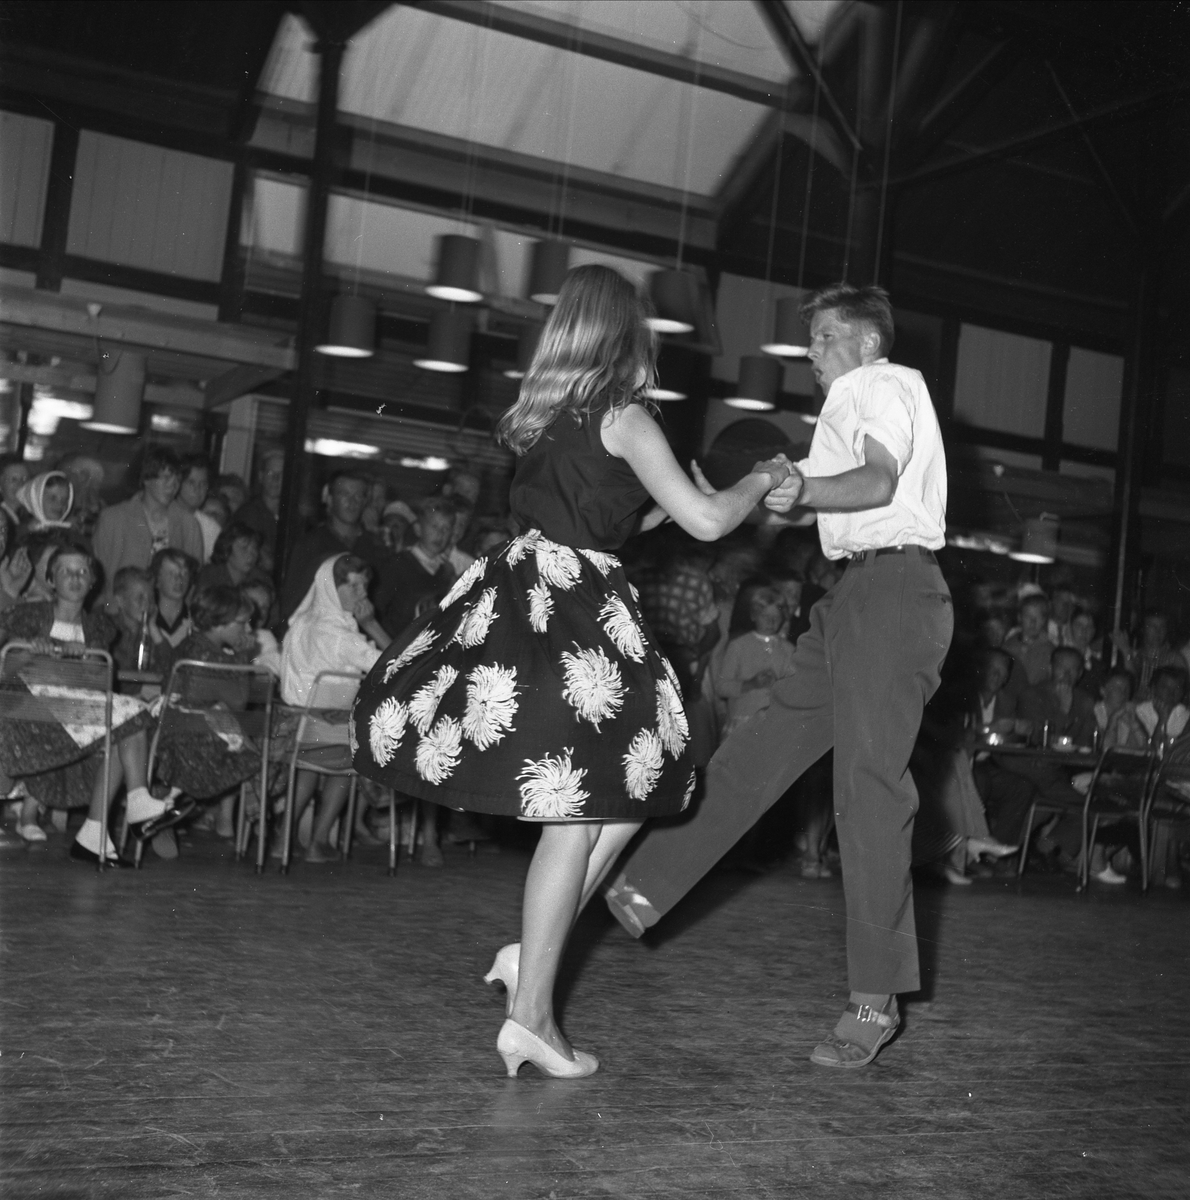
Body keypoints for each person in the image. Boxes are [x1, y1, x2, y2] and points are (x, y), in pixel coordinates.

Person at [351, 264, 790, 1079]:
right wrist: (761, 477)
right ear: (630, 331)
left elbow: (619, 512)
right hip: (576, 616)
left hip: (529, 598)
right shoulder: (625, 413)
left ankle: (532, 957)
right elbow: (706, 522)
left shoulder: (551, 413)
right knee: (587, 812)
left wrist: (666, 500)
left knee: (636, 784)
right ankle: (532, 1017)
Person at [603, 281, 952, 1071]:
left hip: (896, 589)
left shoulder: (883, 383)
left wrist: (794, 487)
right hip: (852, 593)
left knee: (867, 790)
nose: (817, 353)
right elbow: (804, 503)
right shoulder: (842, 409)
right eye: (814, 341)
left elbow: (876, 484)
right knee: (761, 744)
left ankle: (875, 998)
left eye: (829, 337)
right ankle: (646, 883)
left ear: (868, 342)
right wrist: (726, 491)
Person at [0, 543, 188, 861]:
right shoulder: (28, 615)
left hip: (75, 716)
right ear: (50, 580)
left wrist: (72, 660)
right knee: (129, 714)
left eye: (82, 571)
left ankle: (95, 833)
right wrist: (36, 651)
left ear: (92, 582)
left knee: (125, 724)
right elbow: (8, 669)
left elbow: (100, 680)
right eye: (65, 571)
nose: (75, 578)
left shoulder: (98, 626)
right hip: (29, 716)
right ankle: (139, 801)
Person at [280, 555, 390, 863]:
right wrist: (372, 624)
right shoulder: (342, 636)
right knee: (347, 760)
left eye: (363, 584)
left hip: (292, 732)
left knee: (315, 757)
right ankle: (317, 840)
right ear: (330, 587)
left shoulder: (298, 624)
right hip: (328, 734)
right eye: (352, 585)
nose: (362, 593)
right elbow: (395, 664)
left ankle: (282, 838)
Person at [279, 470, 389, 623]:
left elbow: (384, 603)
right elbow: (292, 604)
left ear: (365, 502)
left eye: (358, 496)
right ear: (329, 499)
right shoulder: (310, 544)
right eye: (345, 494)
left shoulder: (376, 547)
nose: (352, 501)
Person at [92, 446, 204, 596]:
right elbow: (98, 574)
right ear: (146, 479)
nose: (172, 485)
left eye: (177, 479)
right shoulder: (112, 518)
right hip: (119, 610)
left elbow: (194, 579)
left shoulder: (188, 524)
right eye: (166, 477)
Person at [715, 581, 797, 737]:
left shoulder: (788, 649)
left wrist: (780, 685)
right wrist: (750, 684)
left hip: (775, 723)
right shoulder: (738, 646)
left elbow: (795, 686)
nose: (771, 622)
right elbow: (722, 687)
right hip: (743, 721)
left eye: (776, 617)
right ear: (754, 615)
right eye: (765, 616)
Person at [233, 449, 284, 570]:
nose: (275, 479)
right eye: (270, 473)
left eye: (281, 474)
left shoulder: (294, 518)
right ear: (261, 477)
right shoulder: (249, 513)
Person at [198, 522, 270, 592]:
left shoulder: (262, 580)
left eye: (255, 549)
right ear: (226, 549)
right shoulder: (209, 575)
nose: (251, 555)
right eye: (244, 548)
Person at [177, 454, 219, 562]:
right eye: (191, 482)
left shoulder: (211, 527)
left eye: (203, 483)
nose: (197, 489)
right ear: (178, 483)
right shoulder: (163, 516)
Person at [15, 471, 74, 537]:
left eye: (64, 500)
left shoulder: (71, 533)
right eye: (52, 498)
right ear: (36, 499)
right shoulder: (19, 534)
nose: (60, 505)